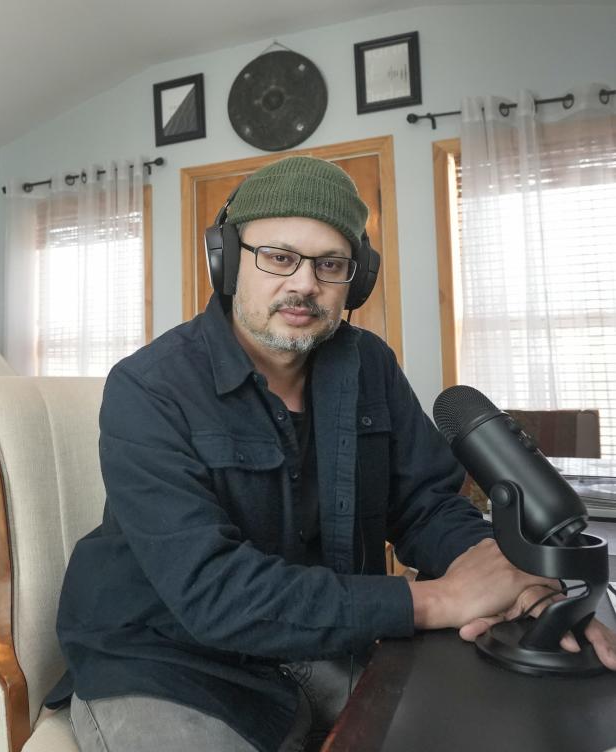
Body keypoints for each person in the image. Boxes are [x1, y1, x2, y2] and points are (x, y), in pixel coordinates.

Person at [45, 156, 616, 752]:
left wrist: (509, 582)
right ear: (228, 259)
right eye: (279, 256)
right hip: (164, 656)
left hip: (321, 638)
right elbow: (211, 591)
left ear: (357, 280)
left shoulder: (369, 364)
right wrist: (436, 599)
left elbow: (425, 503)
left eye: (330, 264)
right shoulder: (148, 387)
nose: (304, 284)